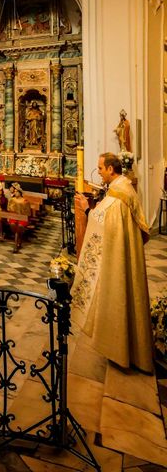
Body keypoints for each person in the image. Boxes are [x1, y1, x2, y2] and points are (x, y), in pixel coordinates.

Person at [72, 152, 153, 373]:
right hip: (126, 254)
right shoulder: (125, 186)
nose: (98, 171)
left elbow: (103, 223)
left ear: (110, 169)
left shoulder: (118, 196)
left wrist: (87, 209)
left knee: (119, 295)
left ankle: (121, 349)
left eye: (100, 168)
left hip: (117, 259)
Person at [7, 183, 31, 253]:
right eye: (14, 192)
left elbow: (28, 212)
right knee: (13, 225)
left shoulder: (25, 201)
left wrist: (22, 215)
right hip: (14, 216)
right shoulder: (12, 200)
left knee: (20, 226)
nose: (15, 193)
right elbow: (9, 208)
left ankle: (15, 245)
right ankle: (18, 240)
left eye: (17, 192)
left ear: (20, 193)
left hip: (22, 217)